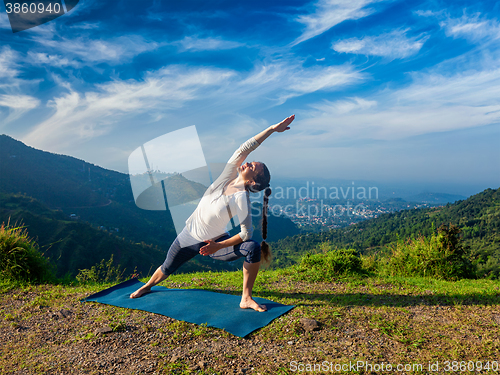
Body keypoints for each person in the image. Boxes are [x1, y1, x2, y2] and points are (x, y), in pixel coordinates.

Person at [130, 114, 295, 312]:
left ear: (252, 181)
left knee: (252, 247)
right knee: (167, 267)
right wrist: (271, 129)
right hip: (189, 235)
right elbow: (244, 148)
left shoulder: (242, 199)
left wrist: (217, 246)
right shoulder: (227, 176)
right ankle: (147, 287)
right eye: (251, 162)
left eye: (252, 166)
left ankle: (246, 298)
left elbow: (246, 234)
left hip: (215, 243)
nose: (248, 162)